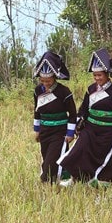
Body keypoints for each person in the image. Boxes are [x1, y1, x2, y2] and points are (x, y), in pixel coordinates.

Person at [58, 48, 112, 187]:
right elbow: (84, 109)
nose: (97, 78)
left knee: (104, 159)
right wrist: (77, 125)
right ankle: (75, 179)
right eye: (95, 75)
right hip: (90, 129)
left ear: (107, 74)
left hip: (107, 132)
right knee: (78, 151)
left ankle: (101, 185)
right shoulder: (91, 89)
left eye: (99, 75)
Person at [32, 51, 77, 184]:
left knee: (52, 160)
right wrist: (37, 130)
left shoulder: (64, 92)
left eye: (48, 80)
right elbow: (37, 111)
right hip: (45, 131)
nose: (45, 83)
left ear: (55, 77)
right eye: (42, 80)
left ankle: (46, 181)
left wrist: (70, 133)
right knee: (46, 157)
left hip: (60, 132)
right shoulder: (37, 91)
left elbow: (72, 114)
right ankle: (57, 182)